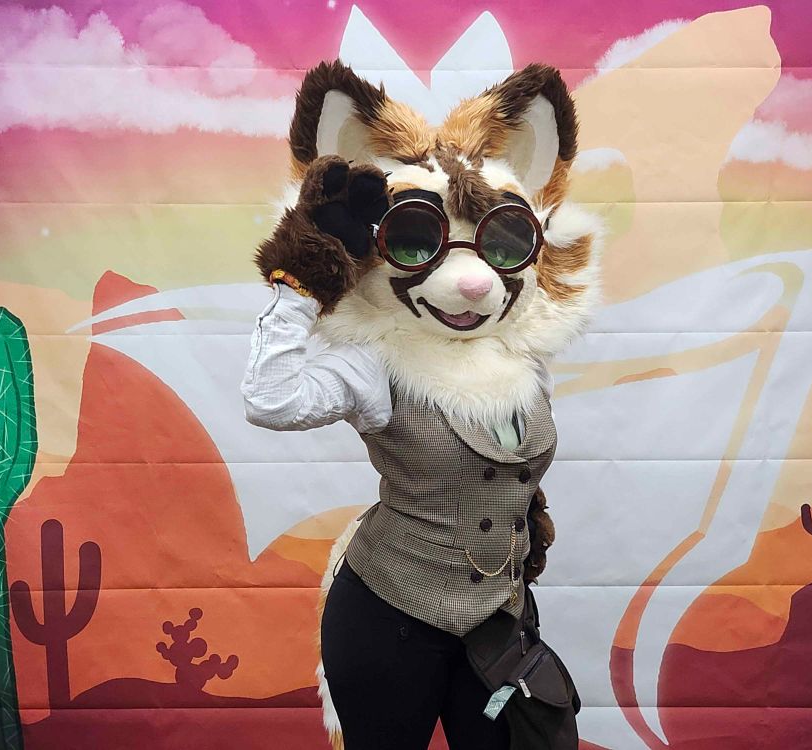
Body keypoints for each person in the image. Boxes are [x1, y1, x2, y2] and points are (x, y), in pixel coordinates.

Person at [241, 59, 601, 750]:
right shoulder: (378, 364)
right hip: (388, 619)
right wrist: (302, 281)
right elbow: (270, 399)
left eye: (500, 242)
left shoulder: (519, 357)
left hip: (498, 623)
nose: (469, 282)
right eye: (415, 241)